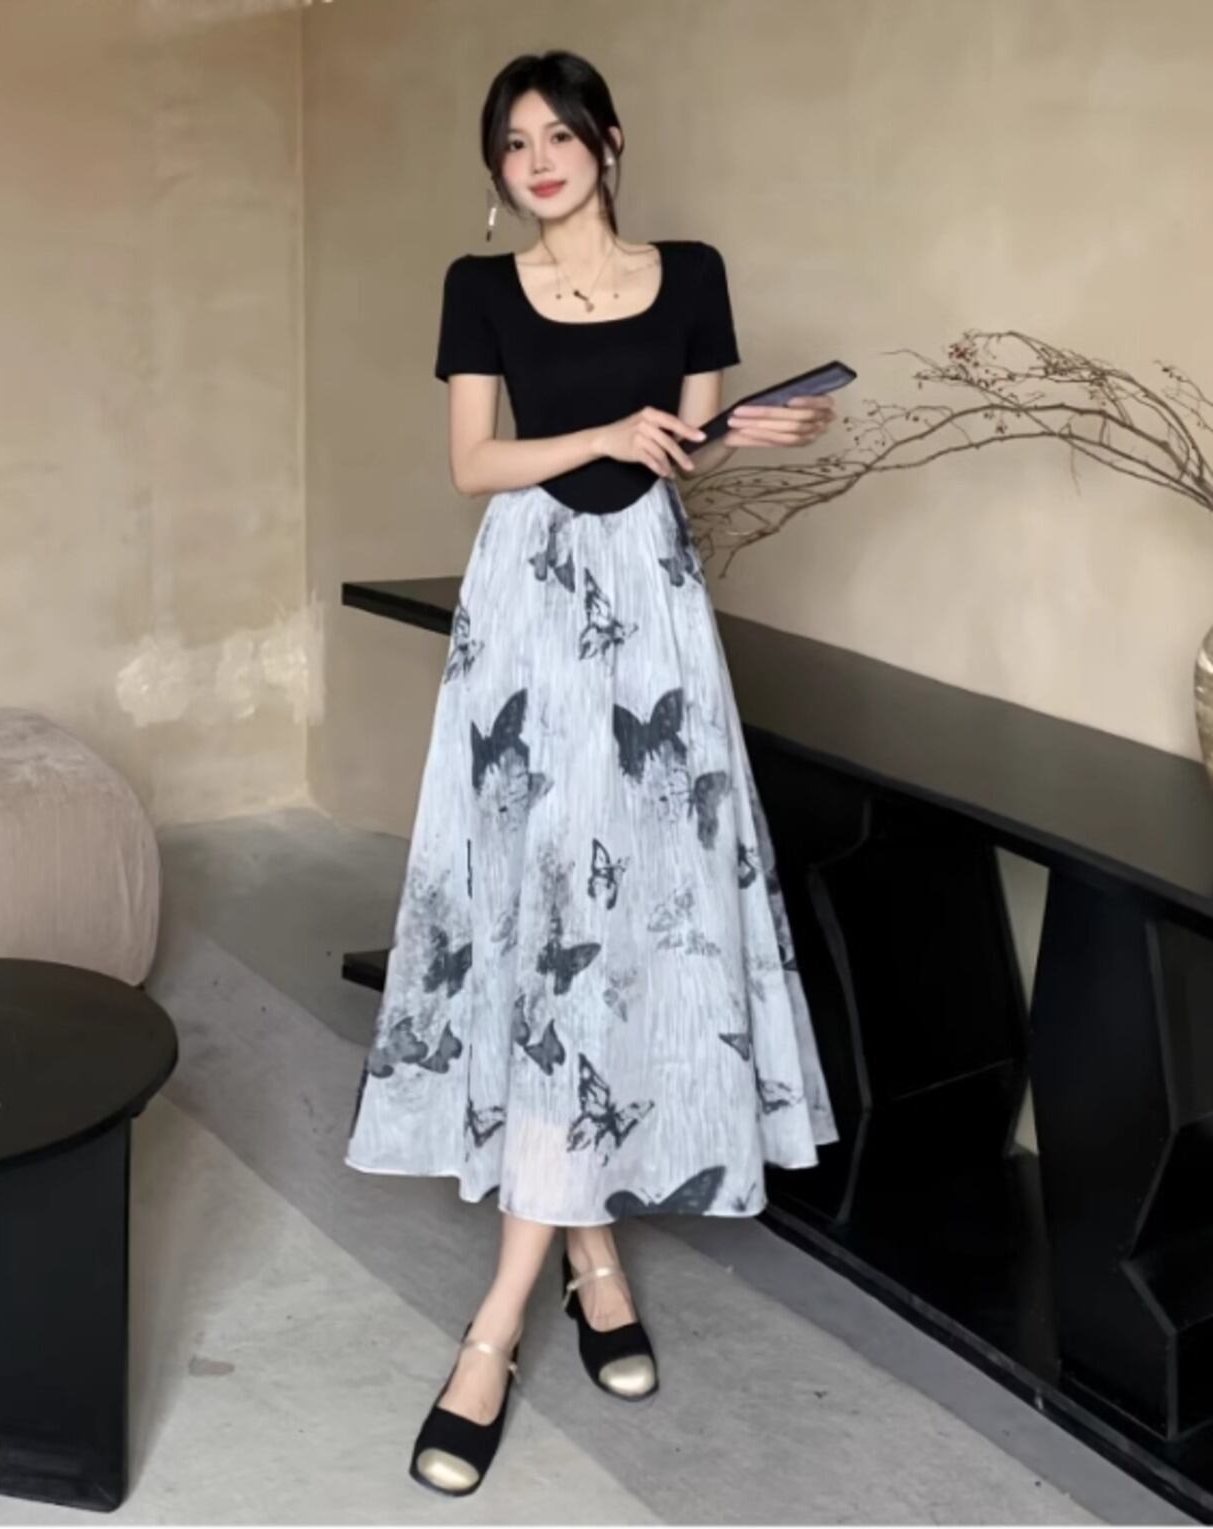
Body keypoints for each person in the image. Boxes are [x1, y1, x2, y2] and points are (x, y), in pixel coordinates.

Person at [345, 47, 841, 1498]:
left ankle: (579, 1260)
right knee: (545, 907)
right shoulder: (479, 287)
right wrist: (608, 432)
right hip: (528, 605)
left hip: (652, 606)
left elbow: (678, 455)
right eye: (514, 143)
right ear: (497, 169)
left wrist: (755, 432)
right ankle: (528, 1304)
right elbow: (476, 465)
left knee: (633, 913)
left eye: (560, 133)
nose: (539, 159)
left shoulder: (692, 275)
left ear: (610, 141)